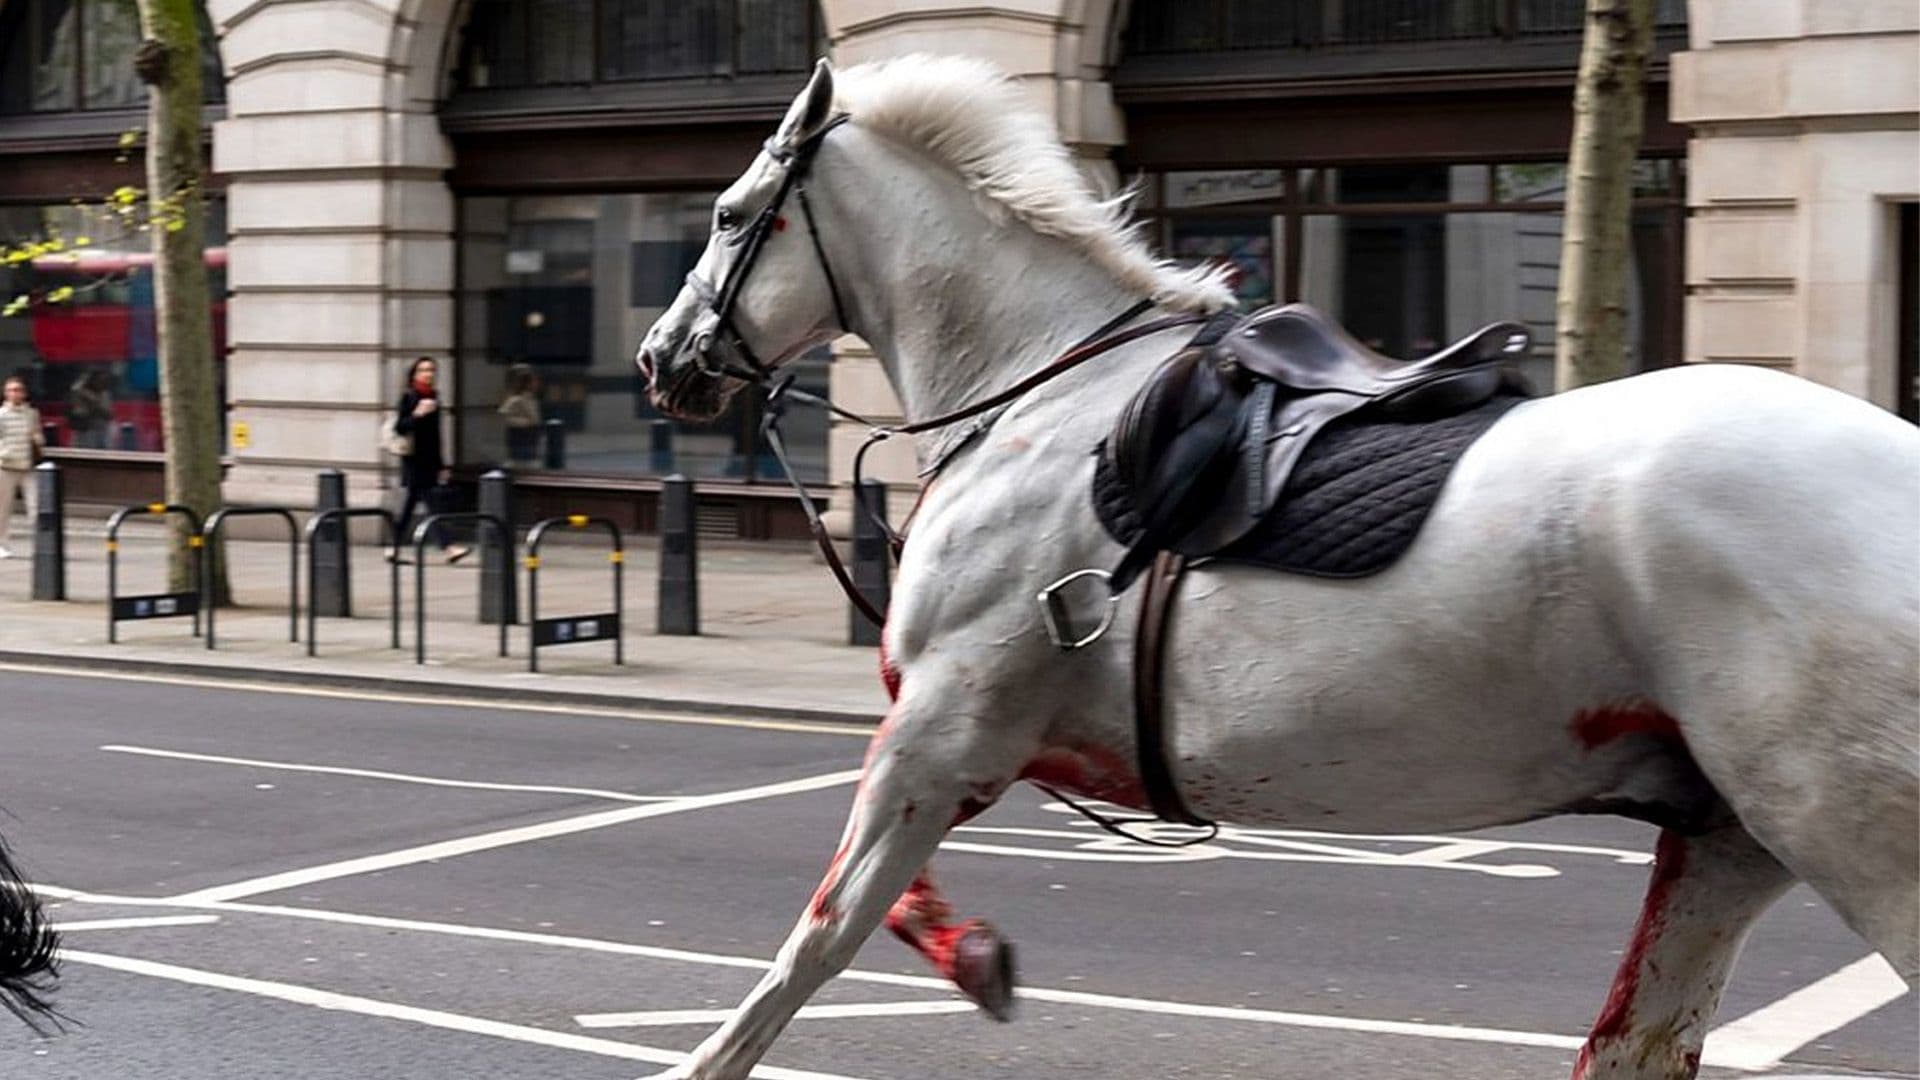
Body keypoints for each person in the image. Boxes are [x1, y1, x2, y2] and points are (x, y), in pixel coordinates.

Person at [390, 357, 470, 564]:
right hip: (414, 462)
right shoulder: (410, 397)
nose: (428, 374)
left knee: (410, 508)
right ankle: (449, 547)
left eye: (431, 370)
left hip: (429, 461)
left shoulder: (434, 397)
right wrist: (417, 414)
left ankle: (393, 547)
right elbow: (400, 427)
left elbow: (436, 436)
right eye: (423, 370)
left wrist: (442, 464)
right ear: (414, 374)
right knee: (432, 506)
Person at [0, 374, 45, 559]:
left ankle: (41, 544)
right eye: (11, 390)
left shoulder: (31, 414)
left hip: (27, 466)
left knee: (36, 507)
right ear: (5, 394)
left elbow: (37, 436)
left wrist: (38, 443)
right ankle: (2, 544)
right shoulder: (1, 415)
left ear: (24, 393)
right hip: (6, 466)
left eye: (18, 390)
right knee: (3, 508)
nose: (15, 394)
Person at [497, 363, 542, 467]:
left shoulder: (532, 399)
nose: (537, 384)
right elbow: (504, 416)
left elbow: (535, 418)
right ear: (527, 383)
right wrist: (524, 422)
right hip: (520, 439)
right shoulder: (516, 400)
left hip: (531, 441)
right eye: (534, 381)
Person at [69, 370, 112, 449]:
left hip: (100, 430)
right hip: (84, 431)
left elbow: (108, 414)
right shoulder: (81, 393)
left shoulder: (104, 394)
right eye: (98, 380)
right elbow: (74, 389)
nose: (101, 382)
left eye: (103, 380)